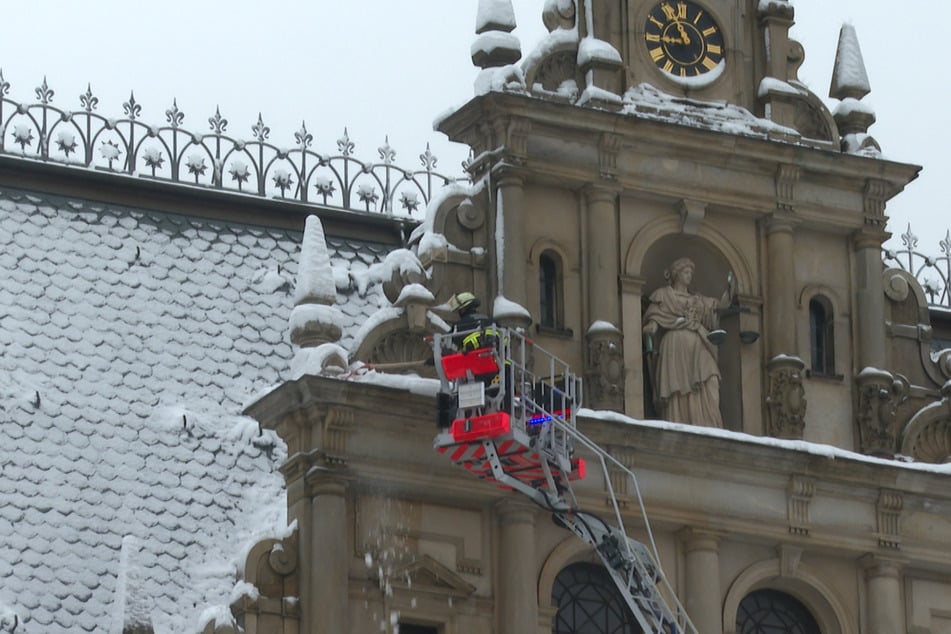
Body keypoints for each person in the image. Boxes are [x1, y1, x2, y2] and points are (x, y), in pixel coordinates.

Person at [642, 257, 734, 428]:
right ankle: (678, 422)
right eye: (686, 272)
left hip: (700, 344)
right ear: (676, 274)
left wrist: (730, 289)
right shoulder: (664, 294)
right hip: (674, 346)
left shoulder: (698, 299)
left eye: (690, 273)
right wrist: (652, 326)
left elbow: (718, 307)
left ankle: (708, 424)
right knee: (677, 390)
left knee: (710, 378)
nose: (689, 276)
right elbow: (655, 316)